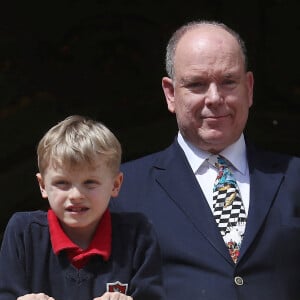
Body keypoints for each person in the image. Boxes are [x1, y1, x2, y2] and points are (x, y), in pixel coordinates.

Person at [110, 20, 300, 300]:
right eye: (197, 84)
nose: (214, 98)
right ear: (171, 93)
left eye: (228, 82)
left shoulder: (294, 176)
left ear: (249, 88)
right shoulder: (122, 190)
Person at [0, 115, 165, 300]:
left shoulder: (137, 235)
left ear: (116, 184)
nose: (76, 195)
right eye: (62, 183)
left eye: (90, 182)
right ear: (43, 185)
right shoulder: (24, 233)